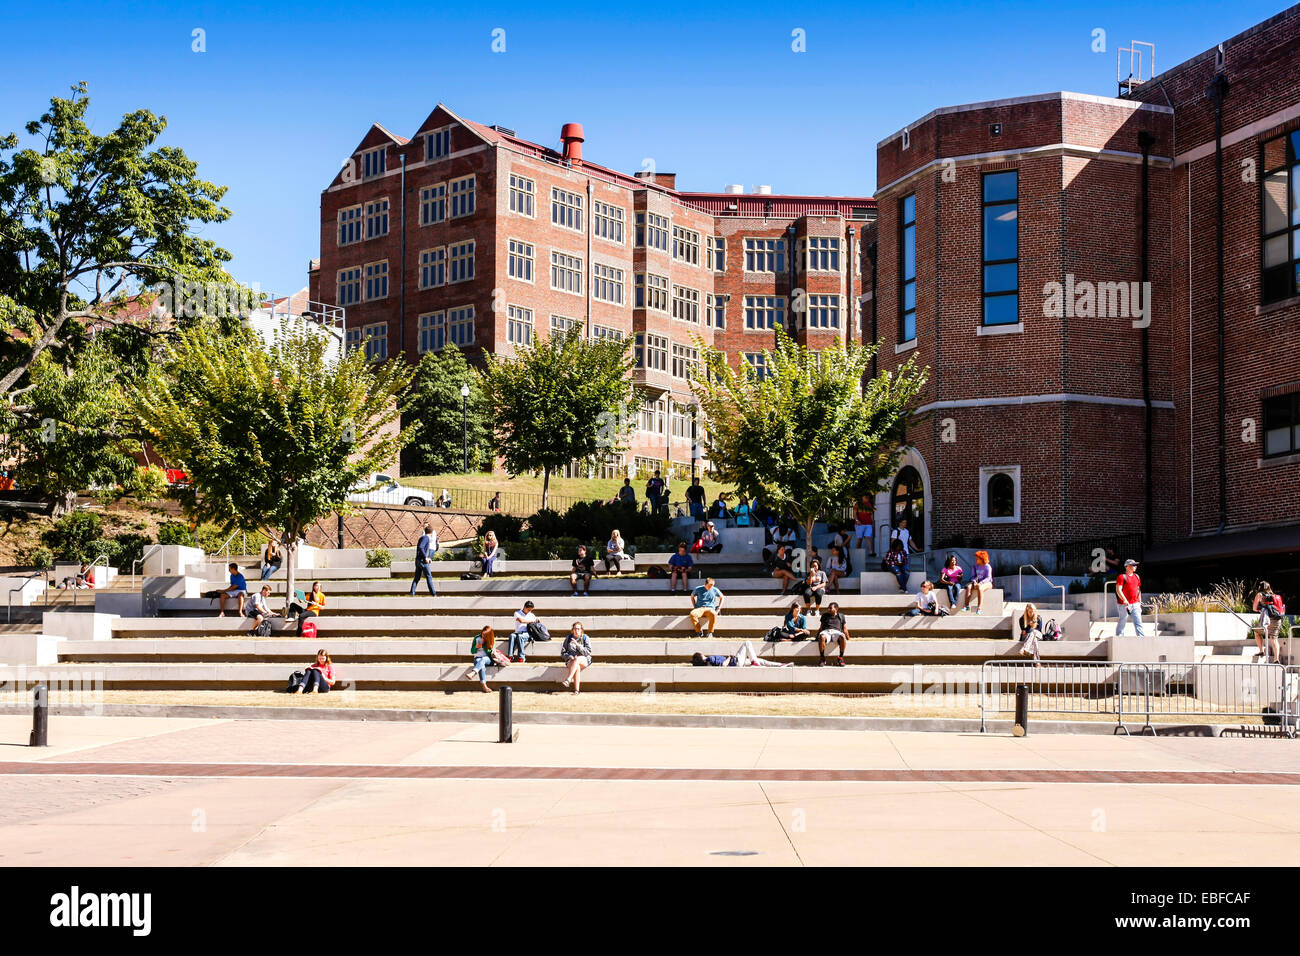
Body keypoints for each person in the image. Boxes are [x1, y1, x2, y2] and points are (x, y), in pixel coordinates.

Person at [1252, 581, 1285, 664]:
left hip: (1267, 620)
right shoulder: (1274, 595)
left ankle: (1261, 651)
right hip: (1277, 619)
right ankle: (1276, 659)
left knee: (1256, 632)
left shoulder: (1259, 595)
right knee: (1274, 638)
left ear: (1260, 587)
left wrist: (1262, 608)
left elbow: (1254, 608)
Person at [468, 625, 509, 692]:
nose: (483, 636)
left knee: (483, 659)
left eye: (485, 635)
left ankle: (473, 673)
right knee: (481, 665)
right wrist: (476, 647)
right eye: (482, 634)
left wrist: (484, 645)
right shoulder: (477, 638)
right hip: (477, 658)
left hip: (488, 659)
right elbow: (472, 651)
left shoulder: (491, 640)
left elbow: (491, 653)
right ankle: (484, 686)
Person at [692, 643, 789, 667]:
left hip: (737, 663)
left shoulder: (707, 663)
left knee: (761, 661)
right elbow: (723, 665)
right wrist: (729, 657)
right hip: (736, 662)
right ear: (700, 655)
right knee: (747, 643)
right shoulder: (710, 659)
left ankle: (780, 665)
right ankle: (754, 661)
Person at [1114, 558, 1144, 636]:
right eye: (1133, 565)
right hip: (1124, 604)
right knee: (1123, 620)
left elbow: (1138, 589)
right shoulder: (1121, 577)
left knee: (1138, 622)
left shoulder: (1137, 576)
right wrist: (1124, 600)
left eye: (1135, 565)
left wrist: (1139, 601)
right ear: (1127, 566)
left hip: (1135, 603)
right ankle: (1119, 637)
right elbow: (1118, 590)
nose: (1135, 566)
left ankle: (1142, 638)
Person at [560, 621, 592, 693]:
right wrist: (569, 656)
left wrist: (577, 644)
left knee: (577, 659)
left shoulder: (585, 638)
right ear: (572, 630)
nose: (576, 630)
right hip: (571, 660)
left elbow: (588, 652)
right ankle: (576, 691)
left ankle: (568, 679)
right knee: (576, 666)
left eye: (578, 629)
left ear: (581, 630)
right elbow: (563, 652)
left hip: (583, 659)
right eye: (575, 629)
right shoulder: (568, 638)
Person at [818, 602, 851, 666]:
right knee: (822, 637)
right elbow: (821, 627)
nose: (828, 609)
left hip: (837, 632)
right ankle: (822, 658)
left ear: (836, 609)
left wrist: (848, 638)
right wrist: (817, 636)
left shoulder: (841, 616)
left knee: (842, 637)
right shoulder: (825, 615)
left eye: (830, 608)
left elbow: (844, 628)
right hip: (826, 631)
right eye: (828, 608)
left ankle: (840, 658)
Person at [410, 522, 438, 597]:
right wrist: (425, 557)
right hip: (423, 561)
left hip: (418, 561)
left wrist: (427, 558)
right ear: (431, 532)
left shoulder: (422, 537)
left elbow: (422, 548)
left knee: (417, 578)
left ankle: (412, 594)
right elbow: (421, 547)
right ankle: (434, 594)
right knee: (429, 577)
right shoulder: (426, 538)